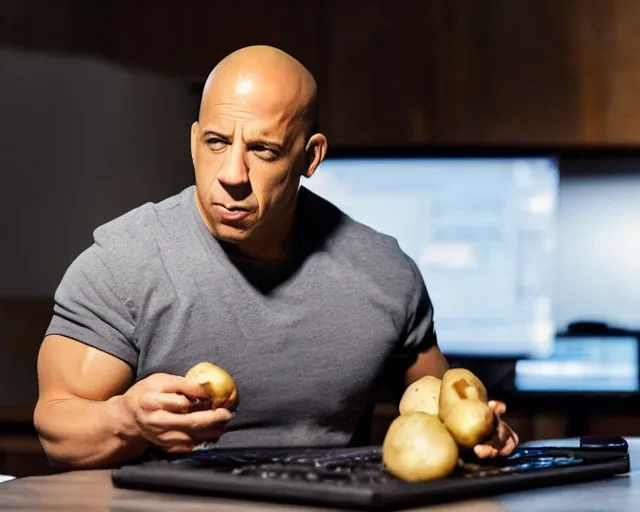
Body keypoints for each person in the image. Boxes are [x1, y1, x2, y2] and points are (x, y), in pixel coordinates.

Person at [34, 45, 518, 470]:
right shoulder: (124, 263)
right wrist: (129, 421)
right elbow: (57, 426)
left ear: (310, 158)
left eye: (263, 150)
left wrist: (484, 434)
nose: (232, 174)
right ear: (194, 140)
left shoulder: (385, 275)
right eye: (217, 143)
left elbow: (441, 412)